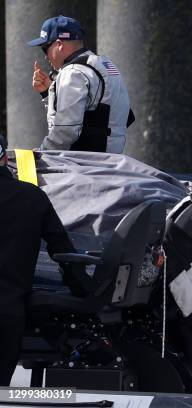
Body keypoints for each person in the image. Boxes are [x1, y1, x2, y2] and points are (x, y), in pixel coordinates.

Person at [0, 135, 77, 385]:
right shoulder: (32, 197)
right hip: (7, 315)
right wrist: (87, 292)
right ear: (3, 159)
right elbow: (63, 253)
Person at [28, 15, 133, 153]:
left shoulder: (73, 72)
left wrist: (43, 154)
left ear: (59, 45)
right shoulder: (105, 64)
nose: (45, 56)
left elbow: (65, 130)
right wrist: (49, 93)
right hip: (111, 162)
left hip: (83, 166)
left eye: (44, 48)